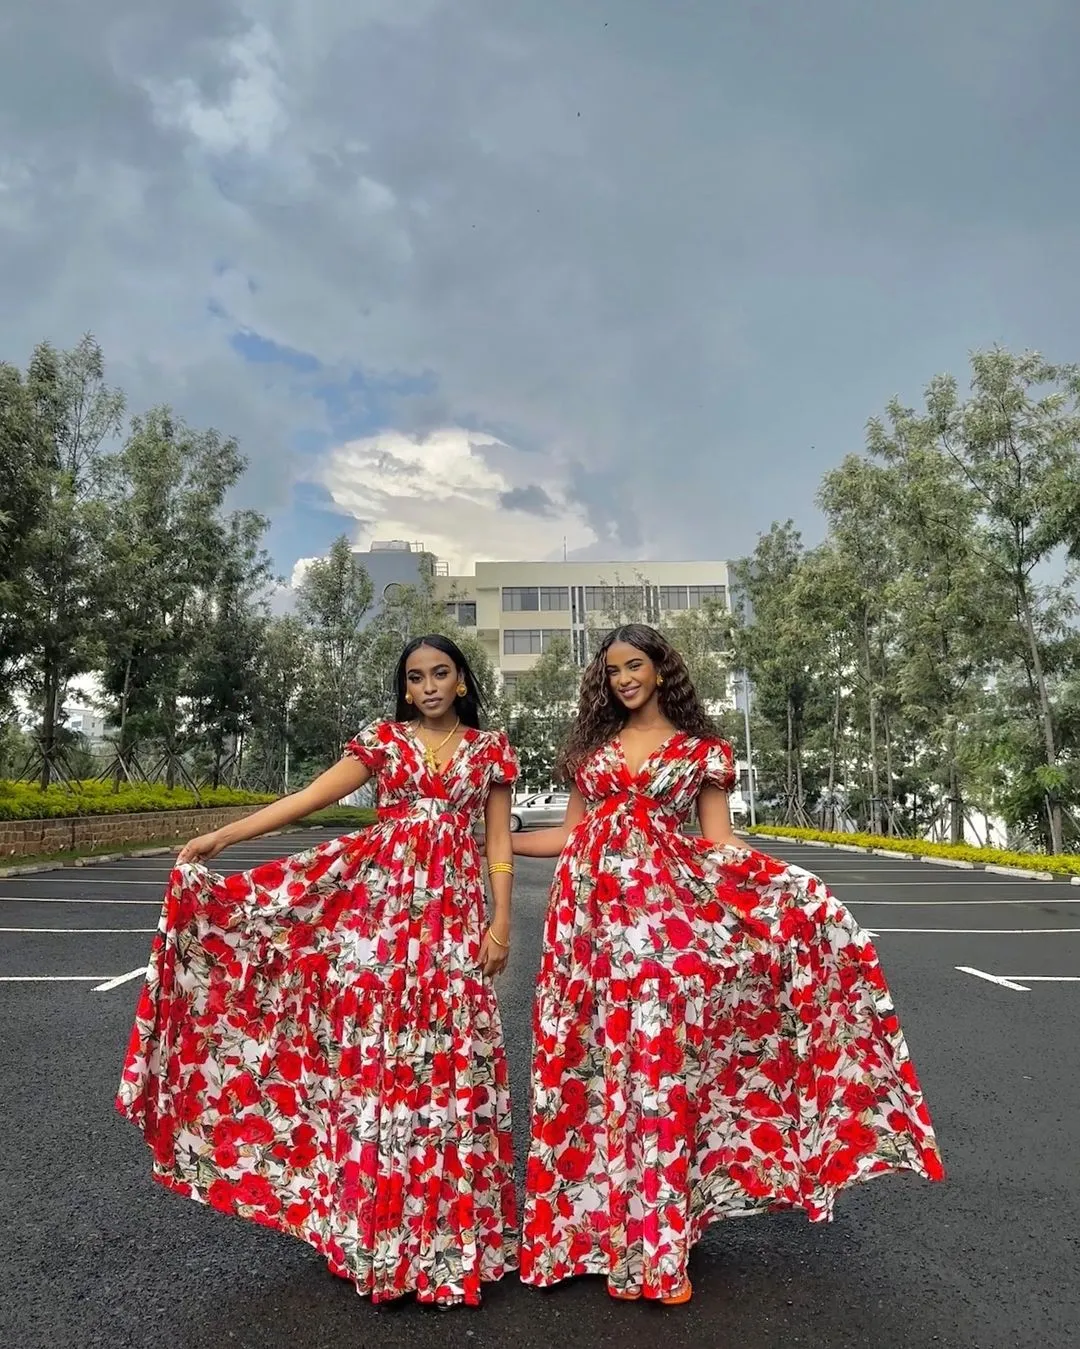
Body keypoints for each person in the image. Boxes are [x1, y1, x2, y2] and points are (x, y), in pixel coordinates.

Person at [512, 624, 943, 1306]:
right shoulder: (593, 750)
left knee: (657, 1072)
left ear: (661, 670)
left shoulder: (702, 753)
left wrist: (793, 892)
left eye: (635, 665)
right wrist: (492, 844)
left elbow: (718, 842)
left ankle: (659, 1250)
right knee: (592, 1070)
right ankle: (591, 1236)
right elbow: (570, 834)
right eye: (613, 669)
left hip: (664, 922)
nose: (623, 678)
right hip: (586, 932)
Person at [117, 634, 520, 1309]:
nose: (427, 686)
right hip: (384, 923)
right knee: (387, 1065)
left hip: (455, 924)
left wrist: (502, 920)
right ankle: (379, 1234)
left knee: (450, 1063)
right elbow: (307, 797)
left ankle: (449, 1239)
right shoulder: (383, 744)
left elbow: (499, 842)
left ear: (460, 682)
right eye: (415, 676)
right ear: (405, 687)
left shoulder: (490, 750)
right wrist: (225, 835)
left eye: (440, 674)